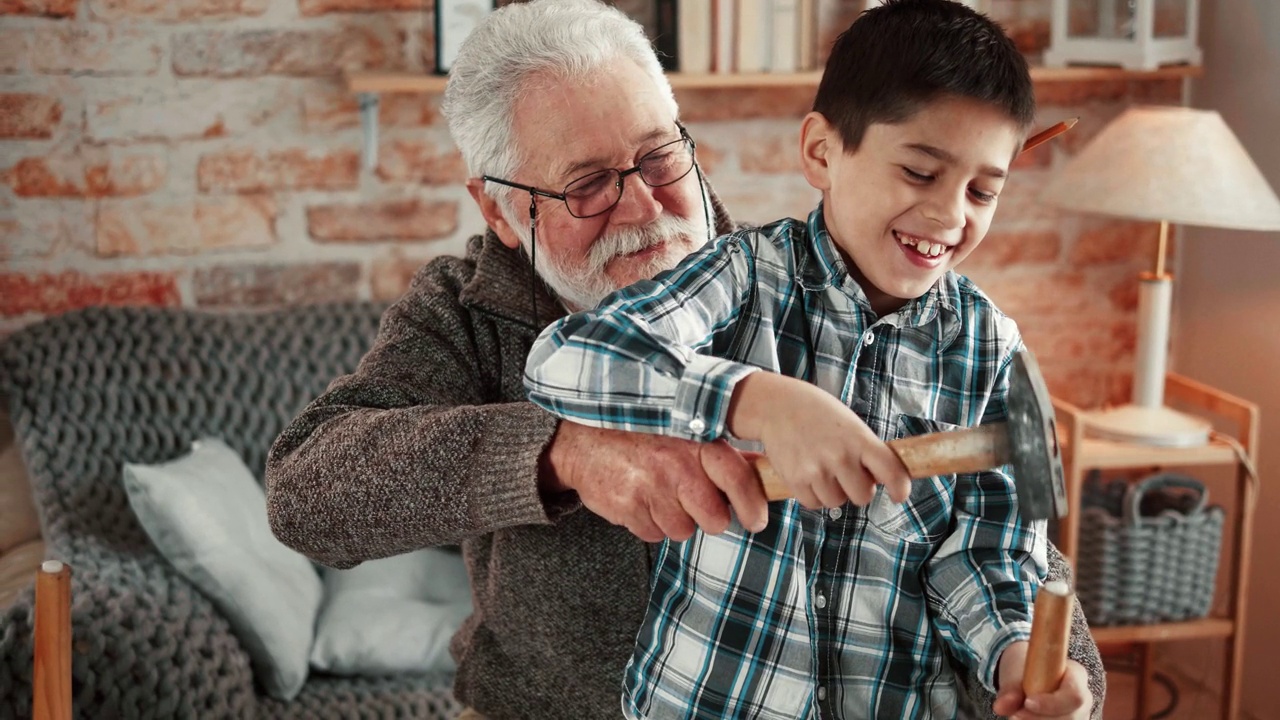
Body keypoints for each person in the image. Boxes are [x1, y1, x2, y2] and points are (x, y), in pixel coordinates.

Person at [264, 0, 1103, 718]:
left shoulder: (785, 282)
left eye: (661, 156)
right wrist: (562, 455)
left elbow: (995, 539)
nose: (643, 205)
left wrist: (1052, 670)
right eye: (587, 183)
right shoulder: (469, 309)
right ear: (501, 206)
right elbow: (306, 494)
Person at [522, 1, 1094, 718]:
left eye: (983, 190)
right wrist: (756, 399)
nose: (952, 216)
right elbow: (568, 358)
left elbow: (984, 558)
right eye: (920, 172)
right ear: (822, 153)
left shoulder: (988, 351)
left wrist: (1017, 656)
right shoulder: (739, 278)